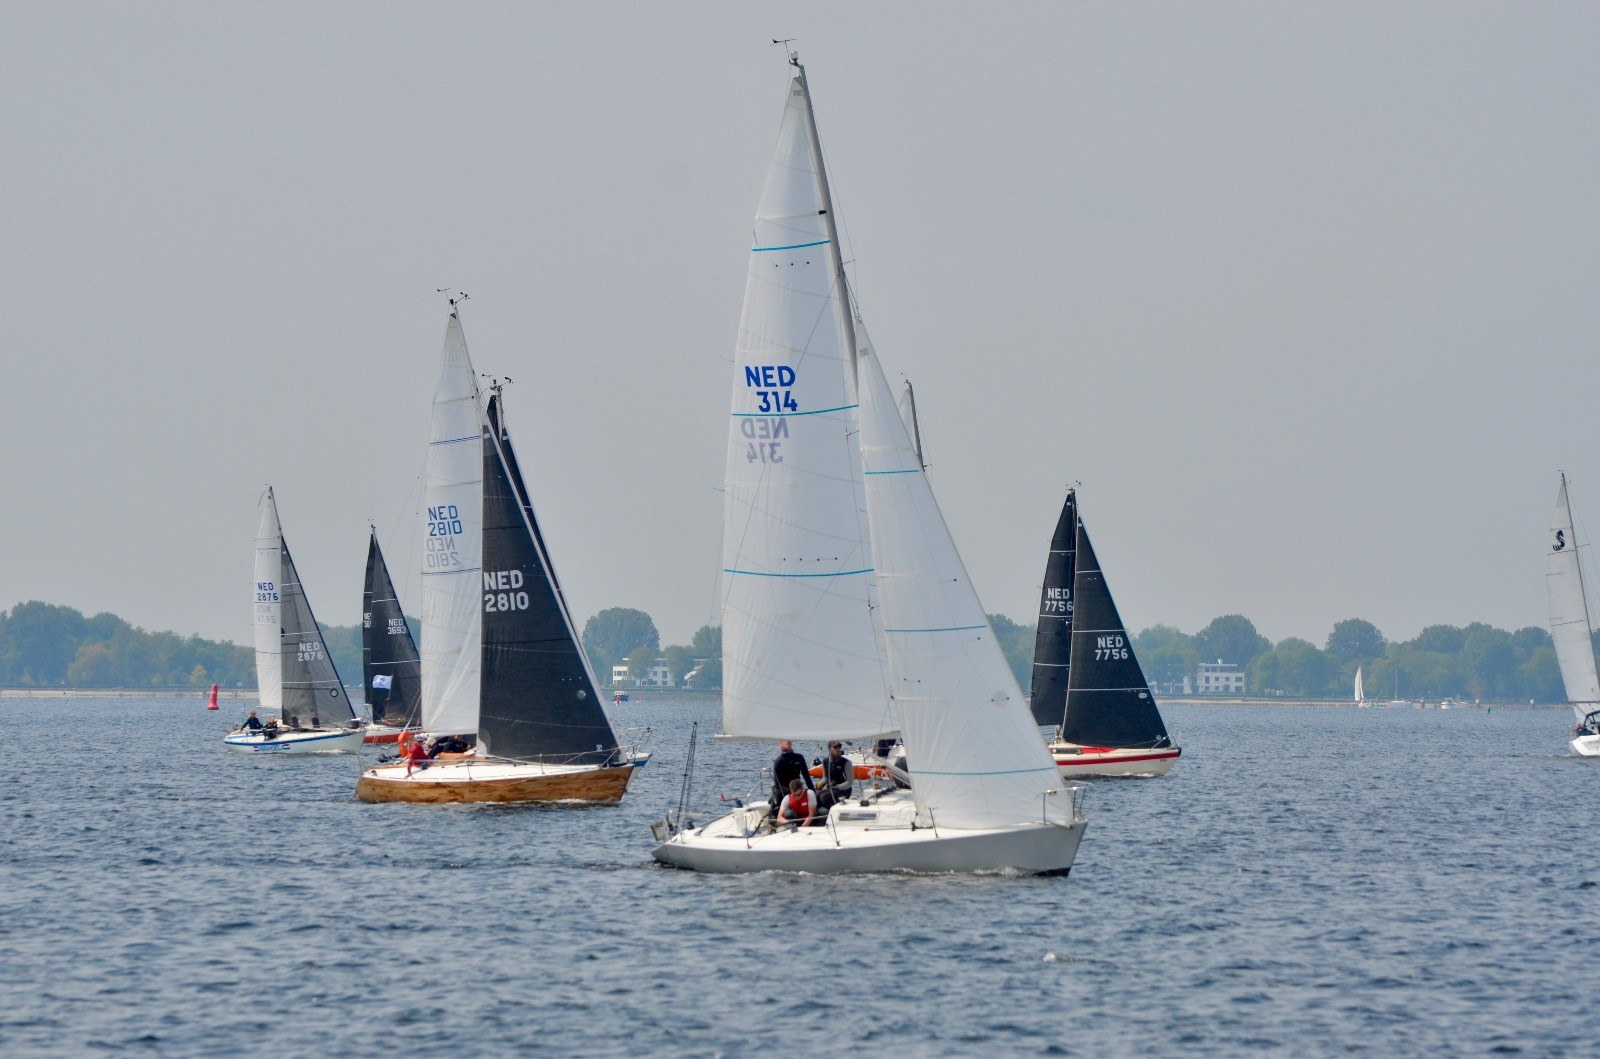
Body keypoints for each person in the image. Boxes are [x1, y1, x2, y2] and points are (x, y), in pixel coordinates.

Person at [770, 739, 814, 807]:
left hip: (798, 788)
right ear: (780, 743)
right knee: (778, 792)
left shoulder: (799, 757)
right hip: (785, 790)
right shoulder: (778, 761)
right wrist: (792, 793)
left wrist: (812, 790)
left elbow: (806, 776)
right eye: (784, 740)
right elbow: (777, 784)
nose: (787, 741)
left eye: (789, 739)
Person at [817, 741, 854, 808]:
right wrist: (819, 785)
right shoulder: (825, 761)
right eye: (835, 747)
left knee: (823, 797)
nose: (838, 749)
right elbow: (825, 778)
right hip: (831, 789)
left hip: (844, 790)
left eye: (839, 746)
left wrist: (837, 787)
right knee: (815, 795)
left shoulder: (846, 762)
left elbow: (850, 782)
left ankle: (829, 813)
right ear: (829, 749)